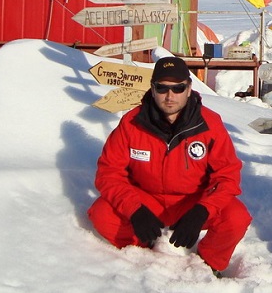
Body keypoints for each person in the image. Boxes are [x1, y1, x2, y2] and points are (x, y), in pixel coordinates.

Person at [88, 56, 252, 276]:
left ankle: (209, 263)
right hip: (147, 200)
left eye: (178, 88)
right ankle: (144, 251)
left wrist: (203, 210)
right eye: (162, 88)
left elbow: (228, 176)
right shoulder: (131, 123)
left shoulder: (210, 124)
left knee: (236, 217)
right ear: (153, 89)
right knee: (101, 213)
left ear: (189, 88)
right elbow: (109, 174)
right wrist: (134, 210)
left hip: (192, 202)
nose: (170, 96)